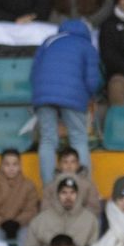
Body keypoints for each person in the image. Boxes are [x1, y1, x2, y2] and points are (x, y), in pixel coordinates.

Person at [30, 19, 99, 186]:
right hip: (72, 95)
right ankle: (82, 187)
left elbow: (33, 73)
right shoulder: (86, 45)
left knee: (47, 140)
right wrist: (91, 95)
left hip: (43, 94)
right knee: (78, 139)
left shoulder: (48, 42)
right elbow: (92, 81)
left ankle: (48, 190)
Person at [25, 176, 97, 246]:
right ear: (57, 194)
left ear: (78, 194)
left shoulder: (90, 220)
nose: (68, 197)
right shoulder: (40, 220)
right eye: (64, 192)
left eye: (72, 192)